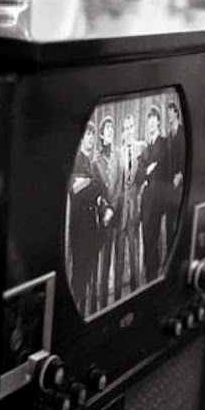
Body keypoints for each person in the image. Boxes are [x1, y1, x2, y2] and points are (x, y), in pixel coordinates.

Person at [68, 122, 103, 317]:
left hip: (90, 225)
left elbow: (97, 188)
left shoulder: (89, 162)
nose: (90, 137)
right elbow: (75, 190)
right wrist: (92, 183)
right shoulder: (77, 160)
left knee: (86, 272)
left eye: (92, 134)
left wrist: (90, 183)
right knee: (79, 274)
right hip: (79, 225)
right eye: (87, 134)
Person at [114, 113, 147, 297]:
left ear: (134, 128)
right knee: (119, 257)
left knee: (134, 253)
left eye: (131, 127)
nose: (128, 131)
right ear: (123, 132)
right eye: (125, 128)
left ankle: (136, 292)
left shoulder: (141, 148)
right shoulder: (117, 152)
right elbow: (115, 183)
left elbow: (146, 174)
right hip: (120, 212)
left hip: (134, 209)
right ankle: (117, 297)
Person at [136, 105, 167, 283]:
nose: (150, 124)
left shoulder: (162, 143)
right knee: (147, 240)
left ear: (158, 122)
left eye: (153, 120)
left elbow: (160, 163)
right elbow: (140, 175)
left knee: (153, 240)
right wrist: (148, 168)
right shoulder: (147, 148)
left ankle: (153, 278)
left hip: (156, 201)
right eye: (148, 121)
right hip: (146, 200)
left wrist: (147, 168)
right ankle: (149, 278)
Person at [93, 115, 117, 309]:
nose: (110, 131)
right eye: (107, 129)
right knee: (98, 266)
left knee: (110, 262)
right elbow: (97, 194)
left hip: (117, 217)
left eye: (112, 129)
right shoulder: (96, 162)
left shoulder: (118, 156)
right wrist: (105, 211)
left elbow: (120, 188)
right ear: (101, 135)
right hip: (101, 220)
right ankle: (98, 305)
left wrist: (113, 209)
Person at [164, 101, 186, 253]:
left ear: (176, 112)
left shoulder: (182, 132)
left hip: (180, 182)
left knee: (178, 218)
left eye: (170, 111)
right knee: (169, 222)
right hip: (169, 183)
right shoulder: (169, 135)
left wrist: (181, 174)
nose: (168, 115)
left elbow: (186, 155)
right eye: (167, 112)